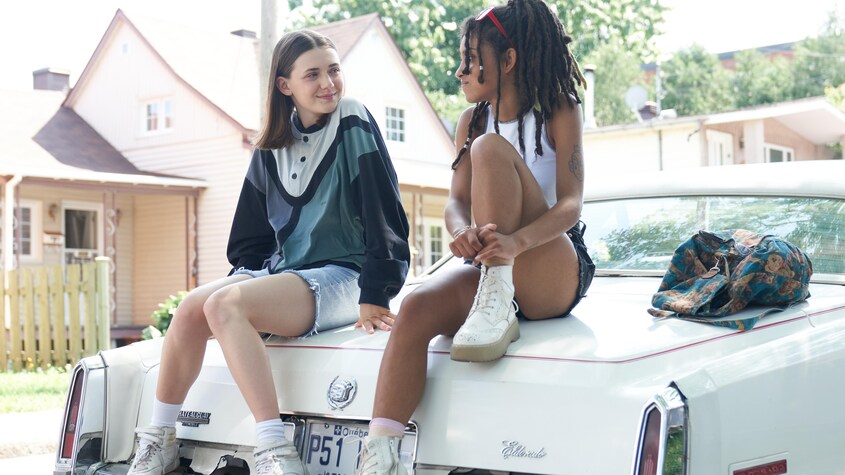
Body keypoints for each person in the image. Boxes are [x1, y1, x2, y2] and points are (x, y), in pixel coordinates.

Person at [126, 30, 410, 475]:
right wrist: (253, 282)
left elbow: (384, 209)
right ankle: (159, 438)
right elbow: (250, 241)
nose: (328, 83)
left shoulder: (352, 119)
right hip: (288, 275)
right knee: (189, 310)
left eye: (333, 70)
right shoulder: (270, 146)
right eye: (312, 74)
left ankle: (273, 448)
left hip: (345, 275)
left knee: (225, 305)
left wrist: (378, 290)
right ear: (285, 86)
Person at [354, 0, 594, 473]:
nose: (459, 70)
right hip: (488, 271)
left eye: (470, 58)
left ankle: (498, 299)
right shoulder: (472, 121)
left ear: (507, 61)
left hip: (550, 266)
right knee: (417, 307)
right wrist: (461, 230)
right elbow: (455, 202)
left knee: (489, 150)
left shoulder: (559, 110)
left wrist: (516, 244)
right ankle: (380, 457)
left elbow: (571, 205)